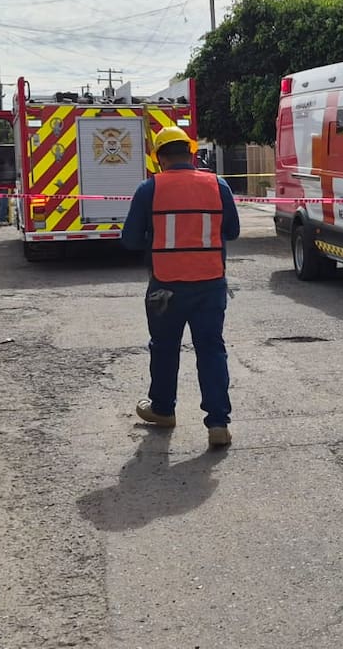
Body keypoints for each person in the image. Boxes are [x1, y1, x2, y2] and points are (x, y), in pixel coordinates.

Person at [120, 126, 240, 448]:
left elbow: (130, 240)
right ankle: (218, 424)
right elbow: (233, 230)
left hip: (165, 287)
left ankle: (162, 410)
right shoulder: (219, 185)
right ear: (191, 154)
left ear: (159, 158)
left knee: (164, 348)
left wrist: (157, 238)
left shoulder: (149, 189)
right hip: (211, 284)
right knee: (211, 349)